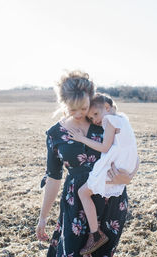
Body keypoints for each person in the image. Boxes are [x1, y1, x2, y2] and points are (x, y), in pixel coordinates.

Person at [36, 71, 139, 257]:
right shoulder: (55, 134)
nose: (78, 114)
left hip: (111, 201)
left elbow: (131, 150)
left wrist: (129, 177)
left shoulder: (104, 122)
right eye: (72, 108)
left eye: (83, 108)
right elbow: (53, 177)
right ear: (63, 103)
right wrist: (43, 217)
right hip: (75, 203)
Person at [67, 93, 138, 255]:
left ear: (107, 107)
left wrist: (81, 139)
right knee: (89, 192)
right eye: (91, 118)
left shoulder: (110, 120)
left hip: (114, 166)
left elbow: (105, 147)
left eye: (96, 114)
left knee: (83, 192)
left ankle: (95, 234)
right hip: (126, 165)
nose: (95, 120)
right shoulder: (124, 120)